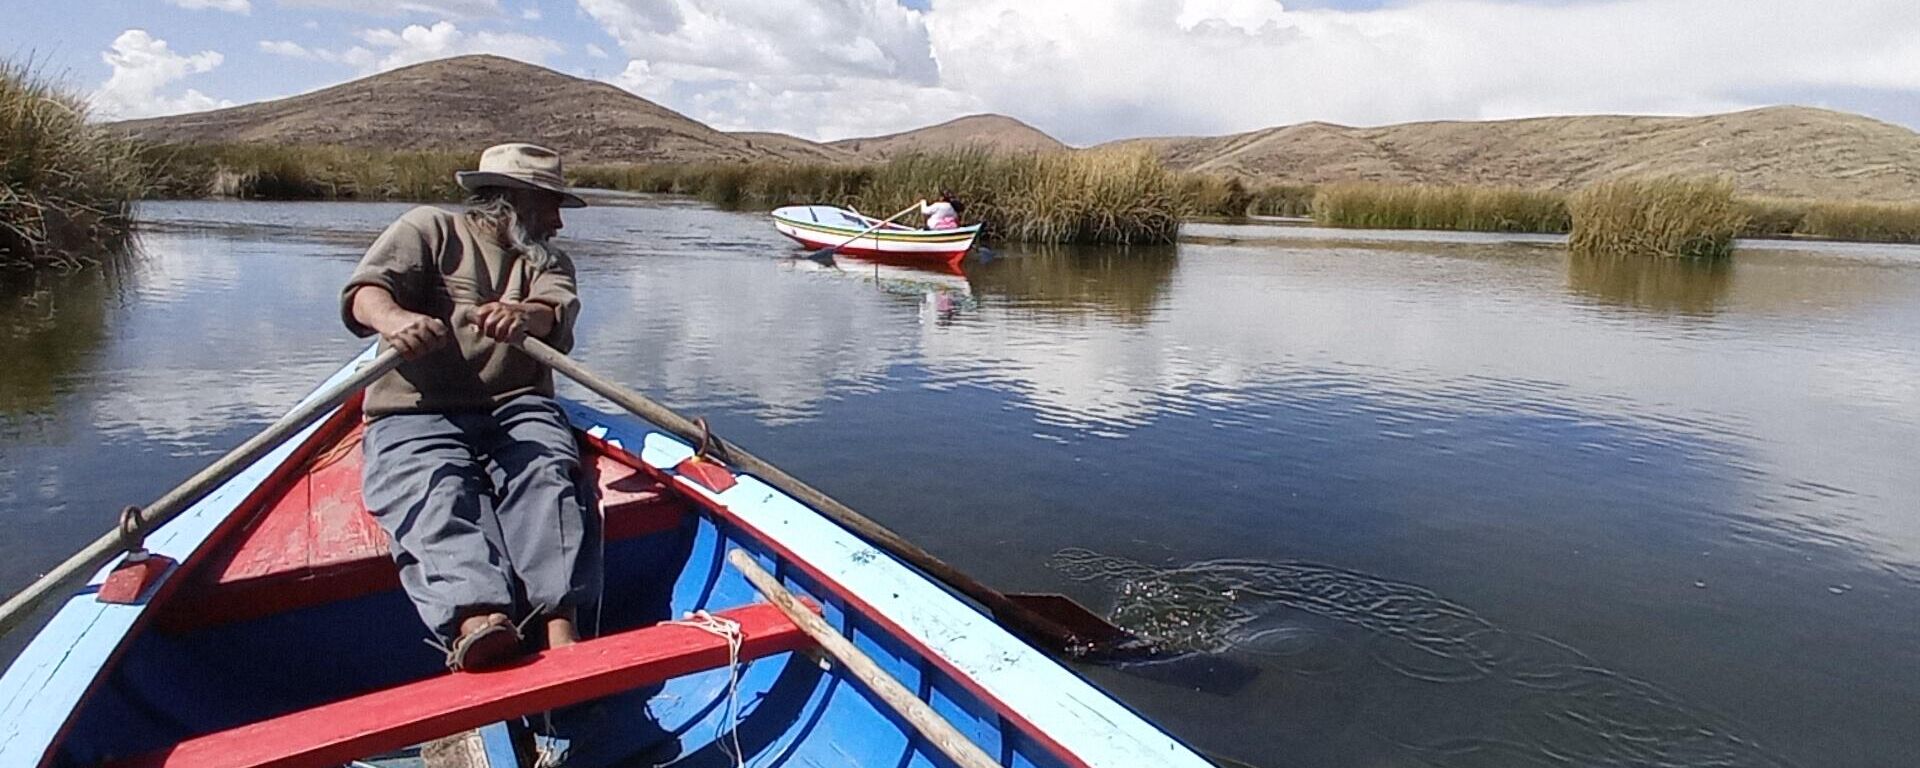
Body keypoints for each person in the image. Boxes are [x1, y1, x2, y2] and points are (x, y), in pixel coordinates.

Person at [341, 142, 598, 672]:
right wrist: (393, 322)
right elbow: (367, 292)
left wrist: (525, 316)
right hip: (416, 408)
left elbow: (555, 310)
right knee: (434, 486)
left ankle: (559, 625)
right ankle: (478, 621)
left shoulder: (548, 260)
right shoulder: (428, 229)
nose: (558, 223)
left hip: (516, 403)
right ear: (511, 202)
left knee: (547, 474)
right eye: (549, 207)